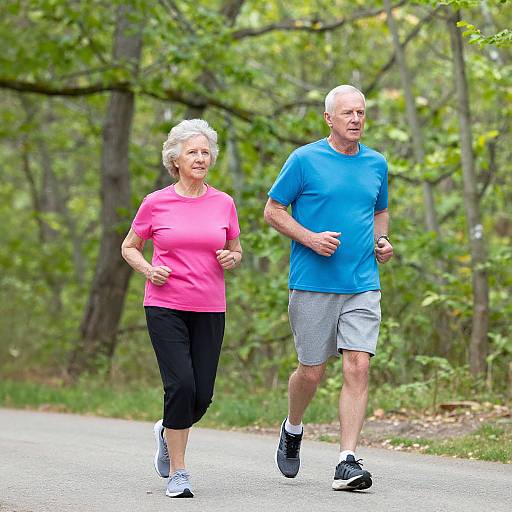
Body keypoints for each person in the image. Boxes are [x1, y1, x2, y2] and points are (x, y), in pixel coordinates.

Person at [264, 85, 393, 491]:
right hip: (313, 283)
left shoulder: (376, 163)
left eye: (361, 112)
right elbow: (272, 211)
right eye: (347, 113)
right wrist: (310, 238)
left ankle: (346, 461)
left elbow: (380, 210)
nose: (356, 119)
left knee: (359, 365)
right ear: (329, 119)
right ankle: (293, 426)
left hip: (361, 283)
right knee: (312, 371)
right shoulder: (304, 160)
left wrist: (382, 241)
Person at [121, 119, 242, 498]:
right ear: (175, 158)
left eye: (206, 152)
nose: (201, 158)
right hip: (165, 305)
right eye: (193, 152)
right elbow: (129, 247)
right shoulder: (156, 203)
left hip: (210, 307)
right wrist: (148, 269)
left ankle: (166, 430)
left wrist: (231, 257)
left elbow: (236, 249)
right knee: (180, 385)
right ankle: (179, 472)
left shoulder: (224, 203)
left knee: (201, 395)